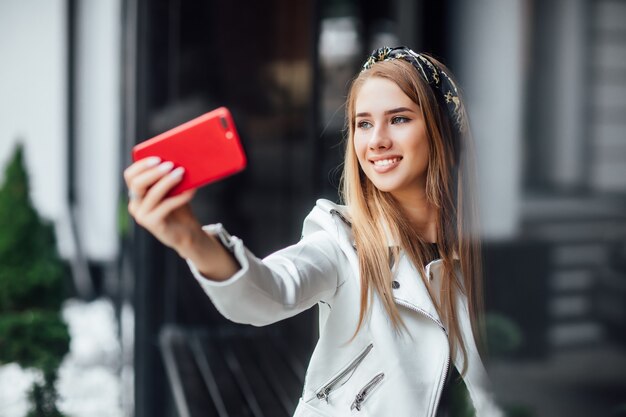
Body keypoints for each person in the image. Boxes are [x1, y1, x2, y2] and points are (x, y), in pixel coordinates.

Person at [124, 46, 503, 417]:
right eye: (363, 123)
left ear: (443, 133)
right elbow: (269, 290)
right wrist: (190, 239)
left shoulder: (478, 251)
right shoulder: (342, 239)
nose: (376, 140)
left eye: (399, 119)